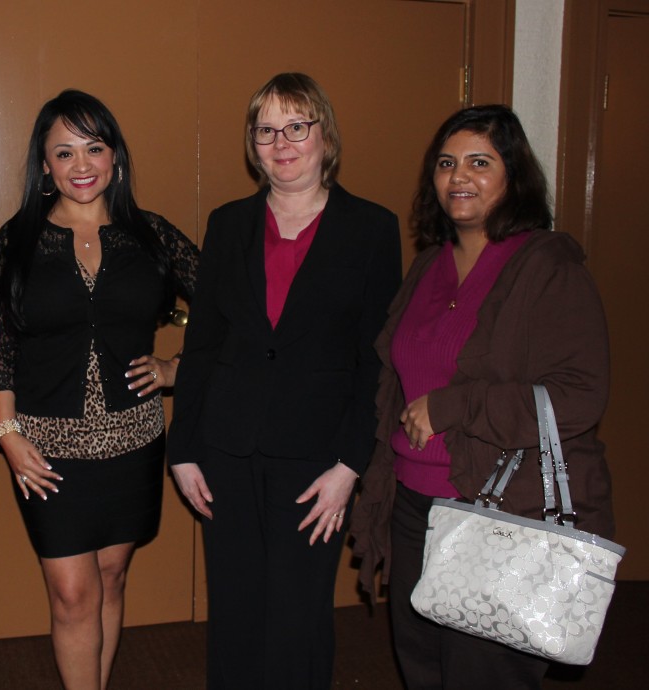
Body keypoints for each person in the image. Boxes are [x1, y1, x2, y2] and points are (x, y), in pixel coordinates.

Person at [349, 105, 614, 690]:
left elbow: (579, 394)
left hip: (498, 515)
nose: (458, 176)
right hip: (414, 507)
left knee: (484, 676)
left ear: (513, 177)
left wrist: (454, 405)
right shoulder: (427, 266)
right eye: (446, 164)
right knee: (422, 668)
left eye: (479, 162)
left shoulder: (547, 266)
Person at [168, 72, 402, 689]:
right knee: (236, 614)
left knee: (298, 619)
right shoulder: (228, 225)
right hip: (227, 451)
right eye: (267, 130)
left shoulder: (372, 229)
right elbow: (202, 348)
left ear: (324, 134)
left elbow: (375, 361)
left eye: (297, 126)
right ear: (253, 143)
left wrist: (352, 466)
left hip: (318, 462)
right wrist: (184, 448)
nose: (283, 142)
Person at [0, 89, 198, 690]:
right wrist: (7, 435)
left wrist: (174, 369)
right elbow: (1, 341)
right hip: (45, 450)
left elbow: (228, 305)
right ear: (45, 166)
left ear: (115, 157)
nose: (82, 165)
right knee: (72, 592)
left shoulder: (150, 234)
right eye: (64, 152)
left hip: (133, 442)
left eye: (94, 147)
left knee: (111, 578)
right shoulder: (20, 239)